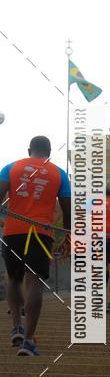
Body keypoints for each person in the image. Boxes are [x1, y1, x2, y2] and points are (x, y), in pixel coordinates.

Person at [0, 136, 71, 356]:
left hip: (12, 231)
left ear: (29, 149)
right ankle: (28, 342)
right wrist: (68, 238)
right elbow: (68, 211)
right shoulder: (59, 173)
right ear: (49, 152)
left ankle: (17, 327)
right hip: (41, 233)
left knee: (13, 278)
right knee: (33, 282)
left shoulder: (10, 168)